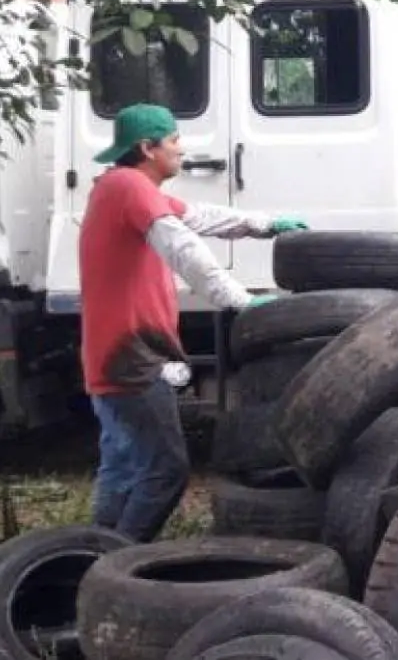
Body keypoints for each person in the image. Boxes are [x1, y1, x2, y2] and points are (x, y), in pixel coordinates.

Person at [79, 103, 305, 542]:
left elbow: (199, 217)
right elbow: (183, 247)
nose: (182, 149)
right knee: (166, 471)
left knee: (123, 465)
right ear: (148, 148)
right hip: (132, 358)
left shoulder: (121, 187)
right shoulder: (129, 186)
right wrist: (239, 300)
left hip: (109, 355)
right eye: (174, 140)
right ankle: (117, 559)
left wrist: (264, 224)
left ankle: (92, 552)